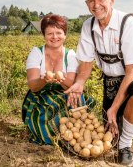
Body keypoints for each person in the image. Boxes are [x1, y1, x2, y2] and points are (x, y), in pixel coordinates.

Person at [65, 0, 133, 166]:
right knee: (114, 128)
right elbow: (85, 62)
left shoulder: (128, 23)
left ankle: (125, 148)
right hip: (112, 79)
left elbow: (132, 71)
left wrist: (114, 107)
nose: (96, 5)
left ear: (112, 0)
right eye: (91, 1)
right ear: (86, 4)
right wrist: (80, 82)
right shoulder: (88, 26)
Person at [21, 14, 93, 145]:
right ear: (44, 35)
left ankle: (74, 137)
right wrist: (44, 80)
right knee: (45, 117)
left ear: (65, 35)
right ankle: (51, 135)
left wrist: (60, 79)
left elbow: (71, 85)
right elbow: (32, 86)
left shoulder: (70, 55)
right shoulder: (36, 53)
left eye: (59, 33)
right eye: (50, 34)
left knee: (77, 100)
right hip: (41, 95)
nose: (54, 37)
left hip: (65, 93)